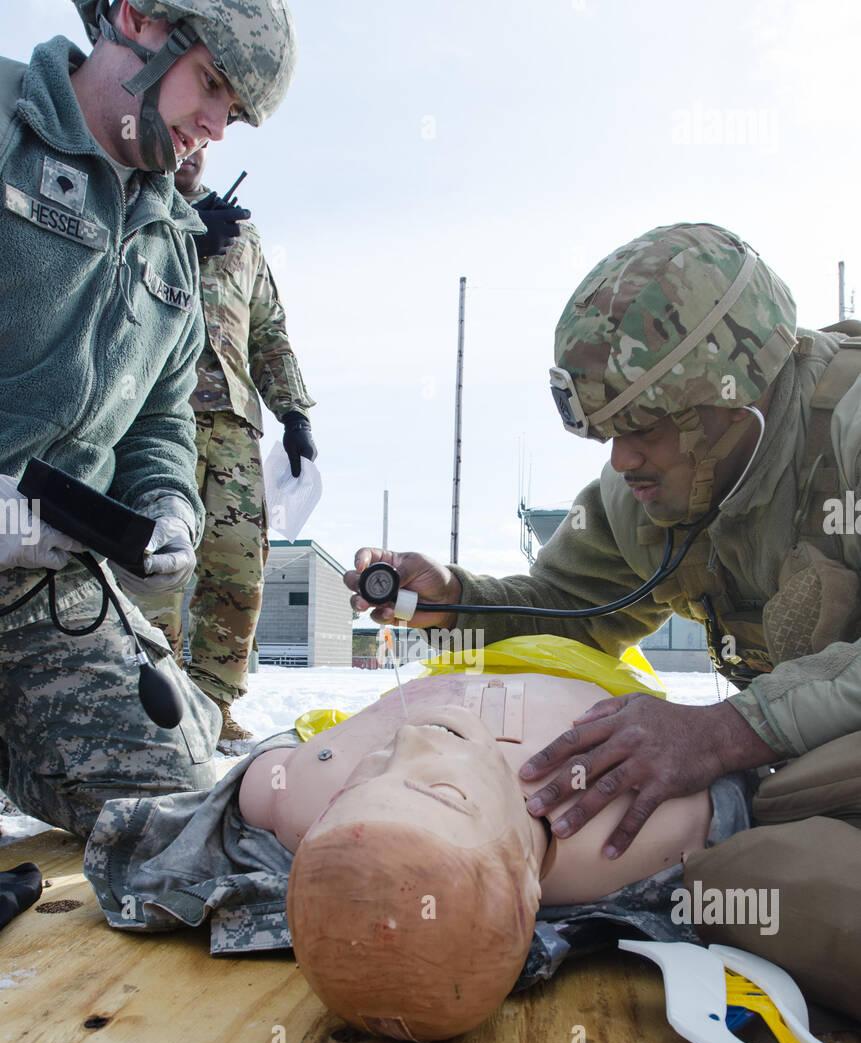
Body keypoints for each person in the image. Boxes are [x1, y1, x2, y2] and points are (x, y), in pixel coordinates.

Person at [344, 224, 861, 874]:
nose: (622, 460)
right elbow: (572, 612)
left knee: (791, 891)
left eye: (644, 427)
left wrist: (730, 730)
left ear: (734, 397)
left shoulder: (848, 427)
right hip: (812, 769)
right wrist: (454, 602)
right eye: (610, 433)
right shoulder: (647, 490)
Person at [84, 665, 766, 1040]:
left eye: (365, 783)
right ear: (528, 885)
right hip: (583, 657)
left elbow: (260, 782)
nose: (409, 747)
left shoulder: (299, 790)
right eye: (443, 793)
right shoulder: (641, 826)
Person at [0, 0, 297, 838]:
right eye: (210, 82)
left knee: (181, 806)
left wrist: (170, 507)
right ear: (135, 17)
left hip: (45, 588)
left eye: (233, 112)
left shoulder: (171, 243)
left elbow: (163, 424)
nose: (215, 125)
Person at [135, 139, 316, 748]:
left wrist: (293, 413)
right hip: (156, 415)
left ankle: (213, 703)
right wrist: (181, 236)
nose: (191, 155)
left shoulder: (244, 235)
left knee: (238, 567)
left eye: (201, 148)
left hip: (236, 421)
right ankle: (153, 703)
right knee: (157, 562)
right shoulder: (132, 205)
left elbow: (269, 329)